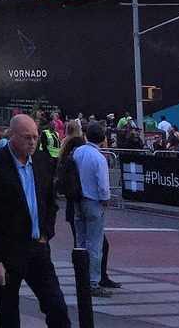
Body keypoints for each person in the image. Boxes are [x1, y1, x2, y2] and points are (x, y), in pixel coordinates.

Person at [0, 114, 70, 328]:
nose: (33, 142)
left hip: (37, 248)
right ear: (12, 136)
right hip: (8, 253)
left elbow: (50, 202)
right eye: (27, 137)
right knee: (8, 315)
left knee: (57, 307)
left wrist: (46, 234)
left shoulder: (42, 162)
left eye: (35, 137)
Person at [73, 121, 112, 297]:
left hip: (78, 200)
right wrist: (105, 200)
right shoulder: (99, 158)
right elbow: (103, 185)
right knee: (94, 244)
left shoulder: (78, 152)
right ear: (102, 139)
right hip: (94, 201)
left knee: (80, 243)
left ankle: (80, 278)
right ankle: (92, 282)